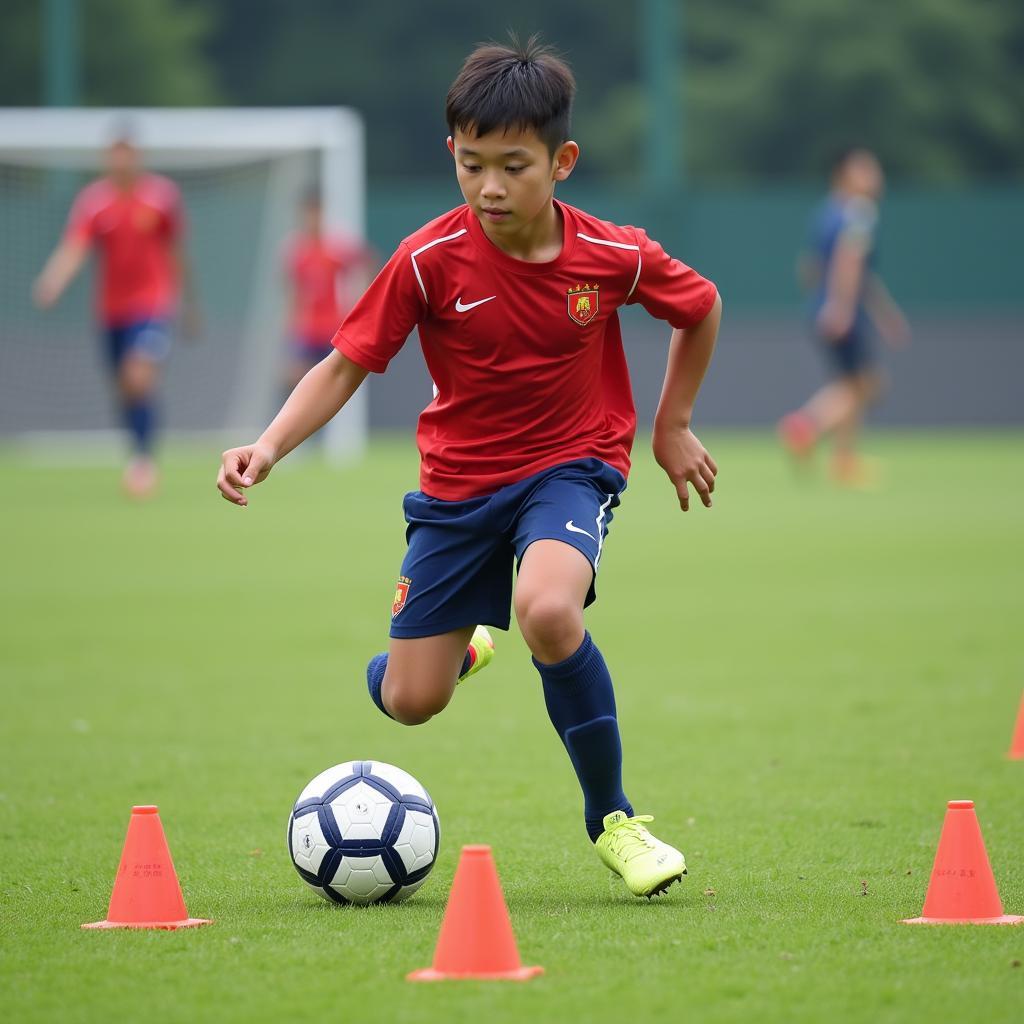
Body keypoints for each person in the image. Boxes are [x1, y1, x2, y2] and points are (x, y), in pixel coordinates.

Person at [218, 37, 721, 899]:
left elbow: (699, 304)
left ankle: (615, 821)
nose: (491, 187)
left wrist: (671, 424)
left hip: (572, 467)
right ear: (453, 153)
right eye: (472, 164)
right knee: (412, 701)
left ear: (561, 162)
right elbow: (343, 362)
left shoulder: (612, 254)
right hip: (456, 495)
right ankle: (459, 653)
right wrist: (267, 445)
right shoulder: (427, 259)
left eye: (514, 167)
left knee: (550, 612)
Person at [33, 133, 196, 498]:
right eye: (114, 156)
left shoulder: (161, 197)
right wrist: (53, 280)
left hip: (153, 304)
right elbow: (75, 246)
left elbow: (177, 251)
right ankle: (137, 451)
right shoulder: (94, 202)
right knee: (124, 389)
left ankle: (143, 462)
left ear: (136, 157)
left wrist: (190, 304)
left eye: (126, 155)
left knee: (138, 376)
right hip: (111, 310)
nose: (120, 162)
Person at [779, 148, 910, 485]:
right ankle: (807, 426)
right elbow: (849, 261)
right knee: (865, 385)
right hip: (844, 312)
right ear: (844, 175)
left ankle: (843, 461)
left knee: (853, 384)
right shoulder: (859, 212)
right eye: (865, 170)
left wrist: (880, 312)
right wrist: (840, 307)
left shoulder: (827, 212)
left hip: (826, 307)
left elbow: (809, 267)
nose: (875, 176)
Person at [283, 188, 374, 395]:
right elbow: (292, 291)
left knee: (333, 386)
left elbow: (366, 262)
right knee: (296, 381)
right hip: (307, 329)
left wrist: (361, 304)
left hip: (333, 328)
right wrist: (290, 325)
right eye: (308, 212)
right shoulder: (296, 249)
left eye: (316, 212)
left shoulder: (335, 246)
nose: (312, 218)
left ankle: (329, 426)